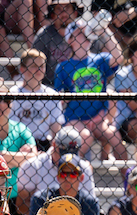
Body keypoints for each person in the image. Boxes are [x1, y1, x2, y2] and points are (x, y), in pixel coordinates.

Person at [52, 19, 123, 161]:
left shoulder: (99, 60)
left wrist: (104, 30)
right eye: (80, 32)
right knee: (85, 138)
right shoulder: (64, 67)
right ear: (70, 39)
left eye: (86, 31)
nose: (85, 34)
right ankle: (78, 176)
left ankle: (127, 180)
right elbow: (59, 97)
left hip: (98, 118)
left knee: (116, 140)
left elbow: (118, 57)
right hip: (75, 118)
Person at [17, 126, 96, 215]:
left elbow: (90, 206)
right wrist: (54, 214)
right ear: (54, 145)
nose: (67, 158)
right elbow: (21, 207)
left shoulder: (84, 168)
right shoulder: (33, 165)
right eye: (64, 152)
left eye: (72, 153)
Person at [10, 48, 63, 150]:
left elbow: (55, 128)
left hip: (44, 144)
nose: (39, 70)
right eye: (34, 66)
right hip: (19, 144)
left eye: (42, 66)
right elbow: (12, 128)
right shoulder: (13, 94)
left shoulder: (52, 95)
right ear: (22, 69)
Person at [31, 0, 81, 86]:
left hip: (79, 86)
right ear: (52, 15)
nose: (64, 13)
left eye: (67, 8)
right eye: (59, 9)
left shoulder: (83, 33)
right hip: (50, 87)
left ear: (75, 13)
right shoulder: (44, 35)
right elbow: (34, 64)